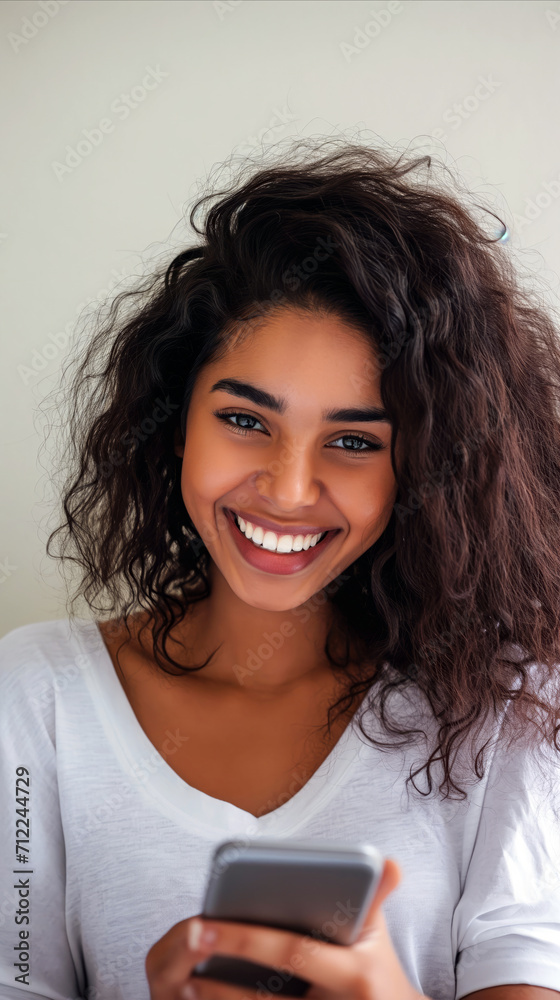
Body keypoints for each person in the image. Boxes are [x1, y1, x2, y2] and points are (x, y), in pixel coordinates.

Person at [1, 138, 560, 1000]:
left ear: (421, 467)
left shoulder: (508, 710)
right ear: (175, 417)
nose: (288, 490)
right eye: (245, 420)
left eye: (351, 441)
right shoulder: (36, 696)